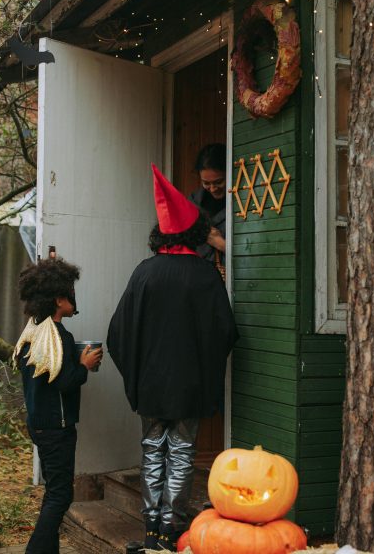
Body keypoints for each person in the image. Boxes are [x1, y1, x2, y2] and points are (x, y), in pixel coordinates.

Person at [107, 164, 239, 550]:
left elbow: (118, 333)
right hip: (189, 385)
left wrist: (136, 374)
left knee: (151, 449)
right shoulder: (203, 275)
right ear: (196, 231)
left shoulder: (144, 273)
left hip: (150, 385)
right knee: (181, 452)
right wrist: (204, 368)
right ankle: (171, 531)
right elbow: (226, 331)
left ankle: (150, 530)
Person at [13, 257, 102, 554]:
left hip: (39, 423)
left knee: (54, 491)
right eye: (70, 293)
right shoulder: (59, 336)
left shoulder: (33, 331)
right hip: (57, 427)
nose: (74, 299)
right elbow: (64, 382)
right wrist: (85, 365)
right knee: (61, 495)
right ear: (59, 299)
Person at [188, 143, 227, 267]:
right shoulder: (193, 203)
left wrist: (221, 244)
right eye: (206, 183)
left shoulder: (244, 203)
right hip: (200, 275)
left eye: (219, 182)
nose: (213, 188)